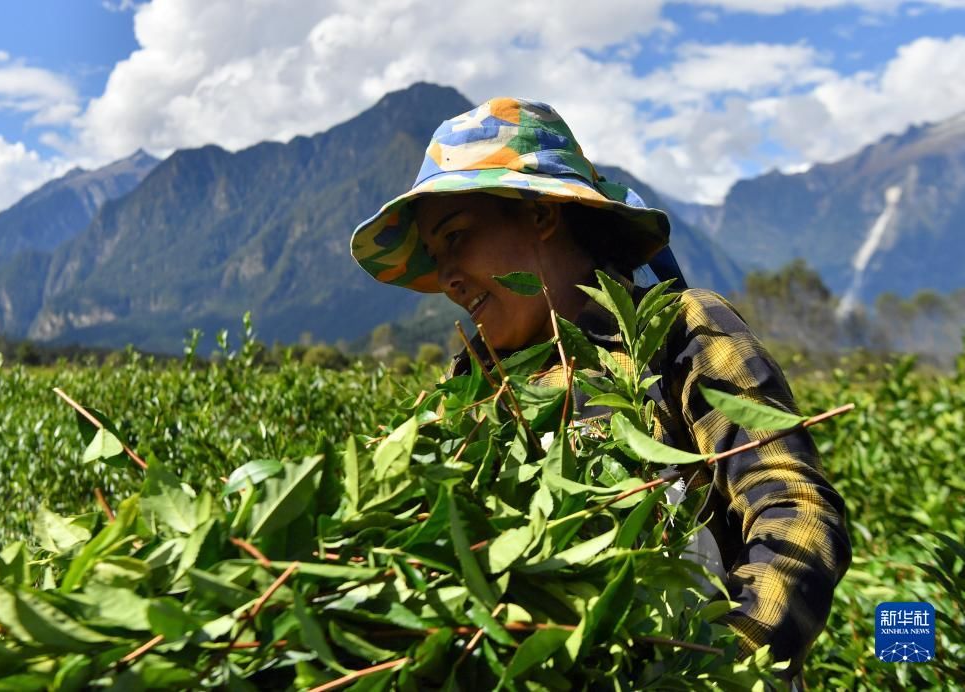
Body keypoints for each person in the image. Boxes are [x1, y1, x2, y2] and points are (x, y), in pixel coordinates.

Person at [349, 97, 851, 684]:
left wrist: (719, 664)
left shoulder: (677, 334)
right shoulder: (464, 396)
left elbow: (795, 511)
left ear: (541, 214)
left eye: (457, 236)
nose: (449, 277)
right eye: (437, 257)